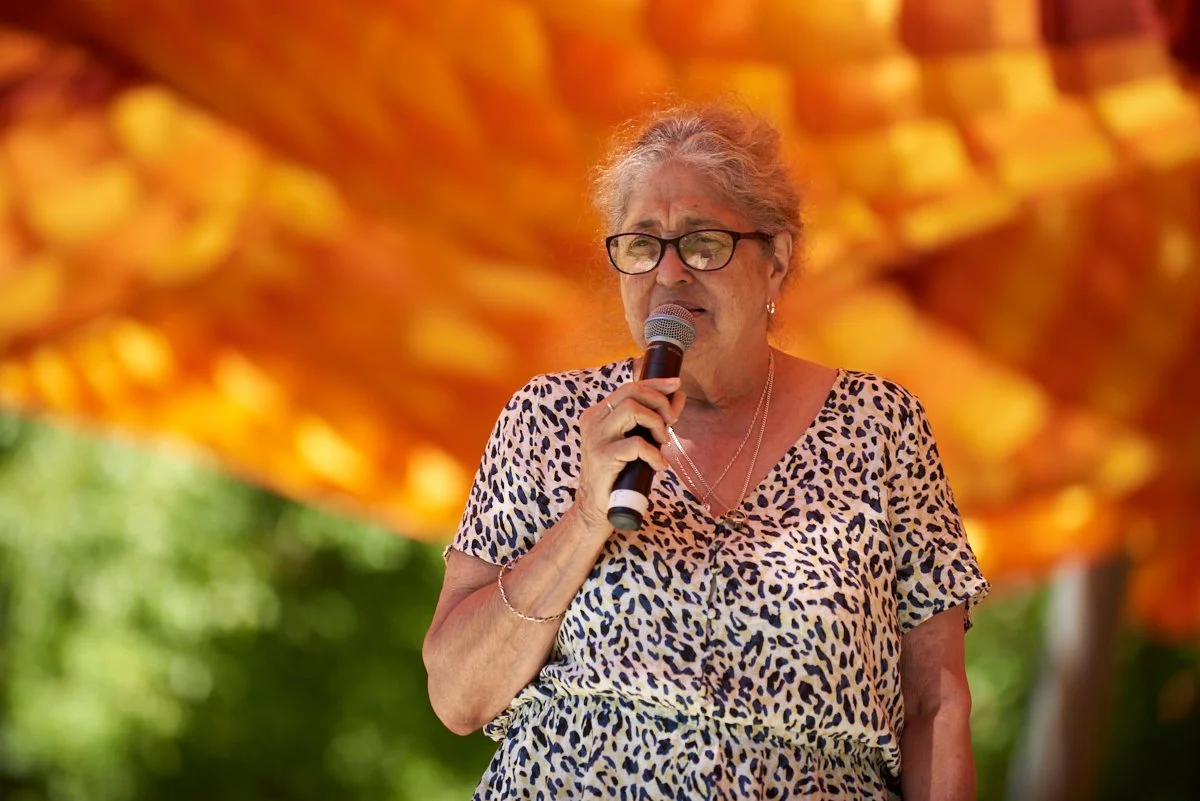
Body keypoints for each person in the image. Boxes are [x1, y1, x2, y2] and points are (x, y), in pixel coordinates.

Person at [423, 100, 989, 800]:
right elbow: (457, 696)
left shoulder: (880, 428)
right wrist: (585, 519)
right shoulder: (546, 420)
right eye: (642, 244)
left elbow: (936, 704)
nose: (669, 273)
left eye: (701, 242)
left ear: (776, 260)